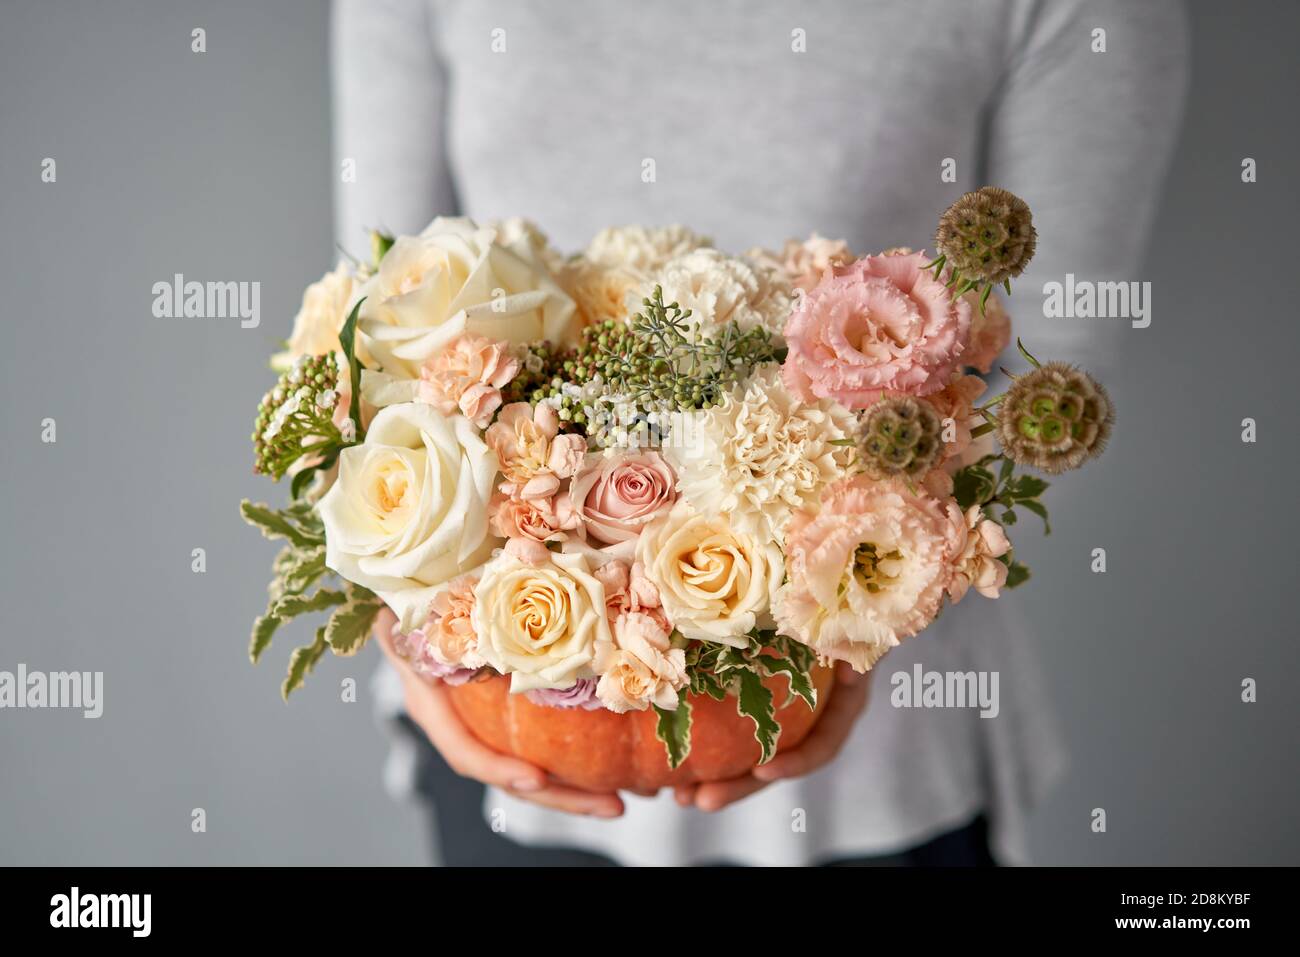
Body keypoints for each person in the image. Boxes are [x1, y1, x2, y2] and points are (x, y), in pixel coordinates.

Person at [333, 0, 1189, 866]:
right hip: (504, 752)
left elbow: (1051, 371)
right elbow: (375, 325)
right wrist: (410, 631)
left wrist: (863, 621)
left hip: (881, 776)